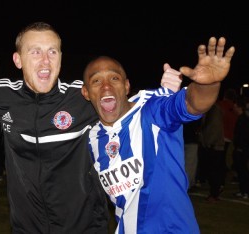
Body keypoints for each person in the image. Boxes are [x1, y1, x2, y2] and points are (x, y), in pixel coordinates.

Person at [0, 21, 181, 233]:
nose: (45, 61)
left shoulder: (82, 97)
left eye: (52, 52)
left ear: (61, 57)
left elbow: (125, 103)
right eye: (34, 52)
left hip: (85, 228)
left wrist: (163, 92)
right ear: (18, 60)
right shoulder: (0, 95)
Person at [81, 36, 235, 233]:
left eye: (114, 78)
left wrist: (209, 84)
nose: (106, 87)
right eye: (96, 81)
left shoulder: (152, 111)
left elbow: (191, 105)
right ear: (86, 92)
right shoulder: (92, 137)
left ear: (127, 86)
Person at [197, 103, 225, 202]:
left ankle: (214, 193)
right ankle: (215, 191)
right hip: (212, 145)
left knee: (214, 171)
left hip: (214, 146)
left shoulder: (213, 110)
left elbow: (213, 128)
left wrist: (207, 143)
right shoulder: (211, 109)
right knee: (213, 170)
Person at [232, 96, 249, 199]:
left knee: (243, 170)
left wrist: (240, 147)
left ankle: (245, 191)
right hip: (241, 148)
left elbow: (243, 135)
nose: (233, 108)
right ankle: (243, 190)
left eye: (235, 106)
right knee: (240, 170)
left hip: (242, 149)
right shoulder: (241, 118)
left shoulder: (243, 119)